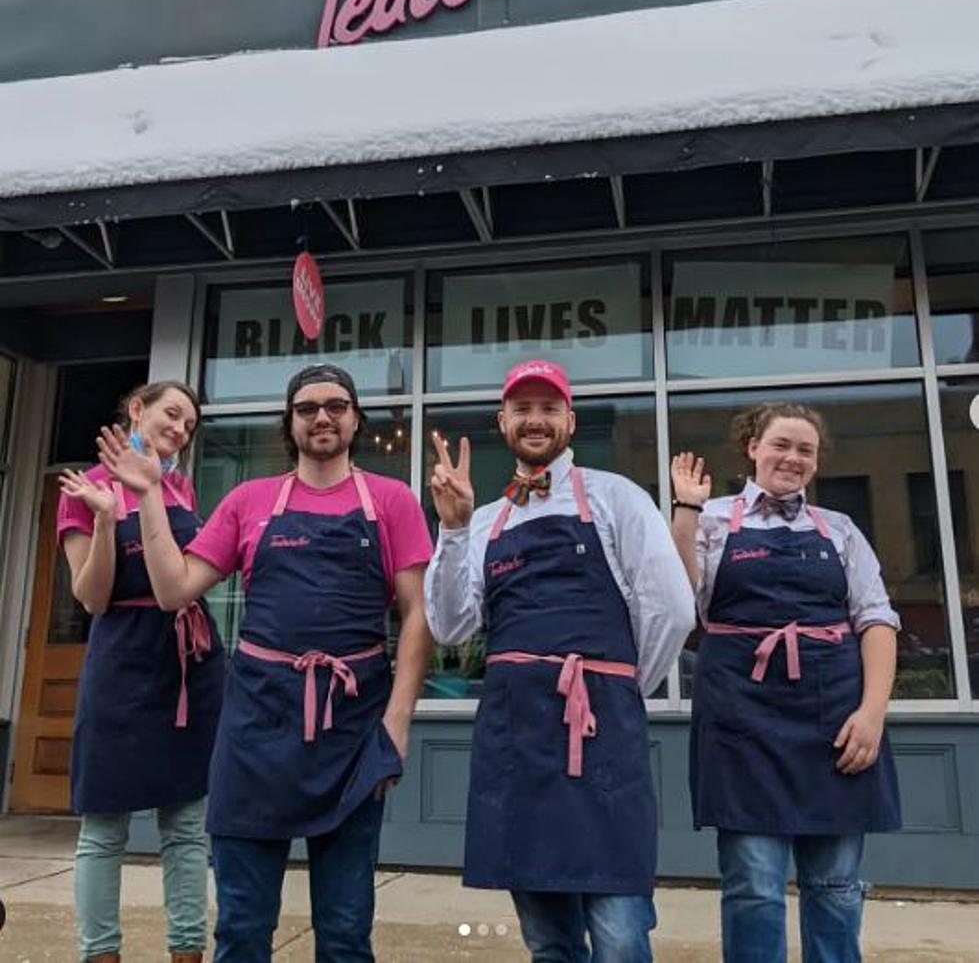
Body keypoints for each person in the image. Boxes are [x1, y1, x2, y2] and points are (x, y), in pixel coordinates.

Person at [96, 363, 433, 963]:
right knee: (243, 931)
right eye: (307, 408)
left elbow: (417, 616)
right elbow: (175, 589)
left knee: (346, 932)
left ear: (355, 418)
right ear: (290, 423)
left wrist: (397, 724)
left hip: (355, 729)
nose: (322, 417)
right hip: (255, 727)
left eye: (336, 405)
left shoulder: (393, 501)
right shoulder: (248, 501)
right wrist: (147, 495)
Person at [425, 358, 695, 963]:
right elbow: (450, 626)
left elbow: (673, 609)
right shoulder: (485, 521)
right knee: (547, 940)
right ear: (503, 422)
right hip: (516, 738)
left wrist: (617, 686)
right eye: (523, 409)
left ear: (569, 420)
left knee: (622, 935)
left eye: (549, 409)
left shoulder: (617, 498)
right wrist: (453, 530)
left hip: (601, 732)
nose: (536, 420)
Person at [670, 401, 902, 963]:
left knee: (836, 886)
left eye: (805, 450)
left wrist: (872, 713)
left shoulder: (840, 530)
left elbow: (875, 620)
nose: (792, 459)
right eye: (781, 445)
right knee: (753, 886)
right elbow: (680, 600)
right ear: (752, 447)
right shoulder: (712, 519)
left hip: (834, 719)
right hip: (739, 718)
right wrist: (684, 509)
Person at [58, 380, 225, 963]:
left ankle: (186, 951)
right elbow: (92, 598)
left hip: (189, 664)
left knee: (186, 824)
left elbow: (185, 574)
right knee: (104, 827)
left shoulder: (178, 487)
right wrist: (106, 522)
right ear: (137, 409)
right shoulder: (86, 488)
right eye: (172, 415)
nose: (180, 429)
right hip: (121, 660)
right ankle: (100, 953)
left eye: (189, 425)